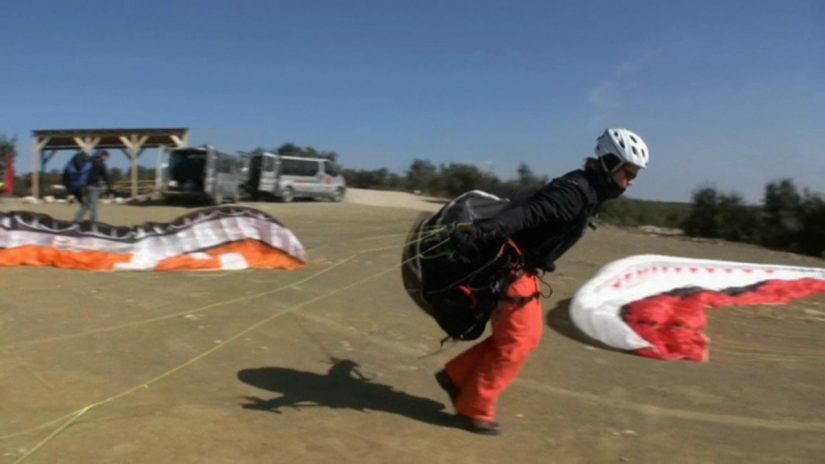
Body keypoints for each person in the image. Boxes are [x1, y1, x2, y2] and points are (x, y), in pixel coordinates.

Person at [435, 128, 650, 435]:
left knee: (529, 336)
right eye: (629, 172)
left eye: (635, 175)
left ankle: (457, 377)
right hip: (510, 268)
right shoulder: (575, 192)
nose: (631, 181)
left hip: (527, 269)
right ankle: (474, 407)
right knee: (518, 341)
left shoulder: (588, 191)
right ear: (611, 163)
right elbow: (528, 213)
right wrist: (483, 231)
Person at [73, 150, 112, 223]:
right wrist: (109, 188)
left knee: (87, 204)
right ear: (104, 156)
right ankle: (94, 221)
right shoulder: (101, 164)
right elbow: (105, 177)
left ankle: (78, 218)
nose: (107, 159)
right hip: (94, 186)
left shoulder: (90, 162)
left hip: (85, 186)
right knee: (94, 204)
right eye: (107, 157)